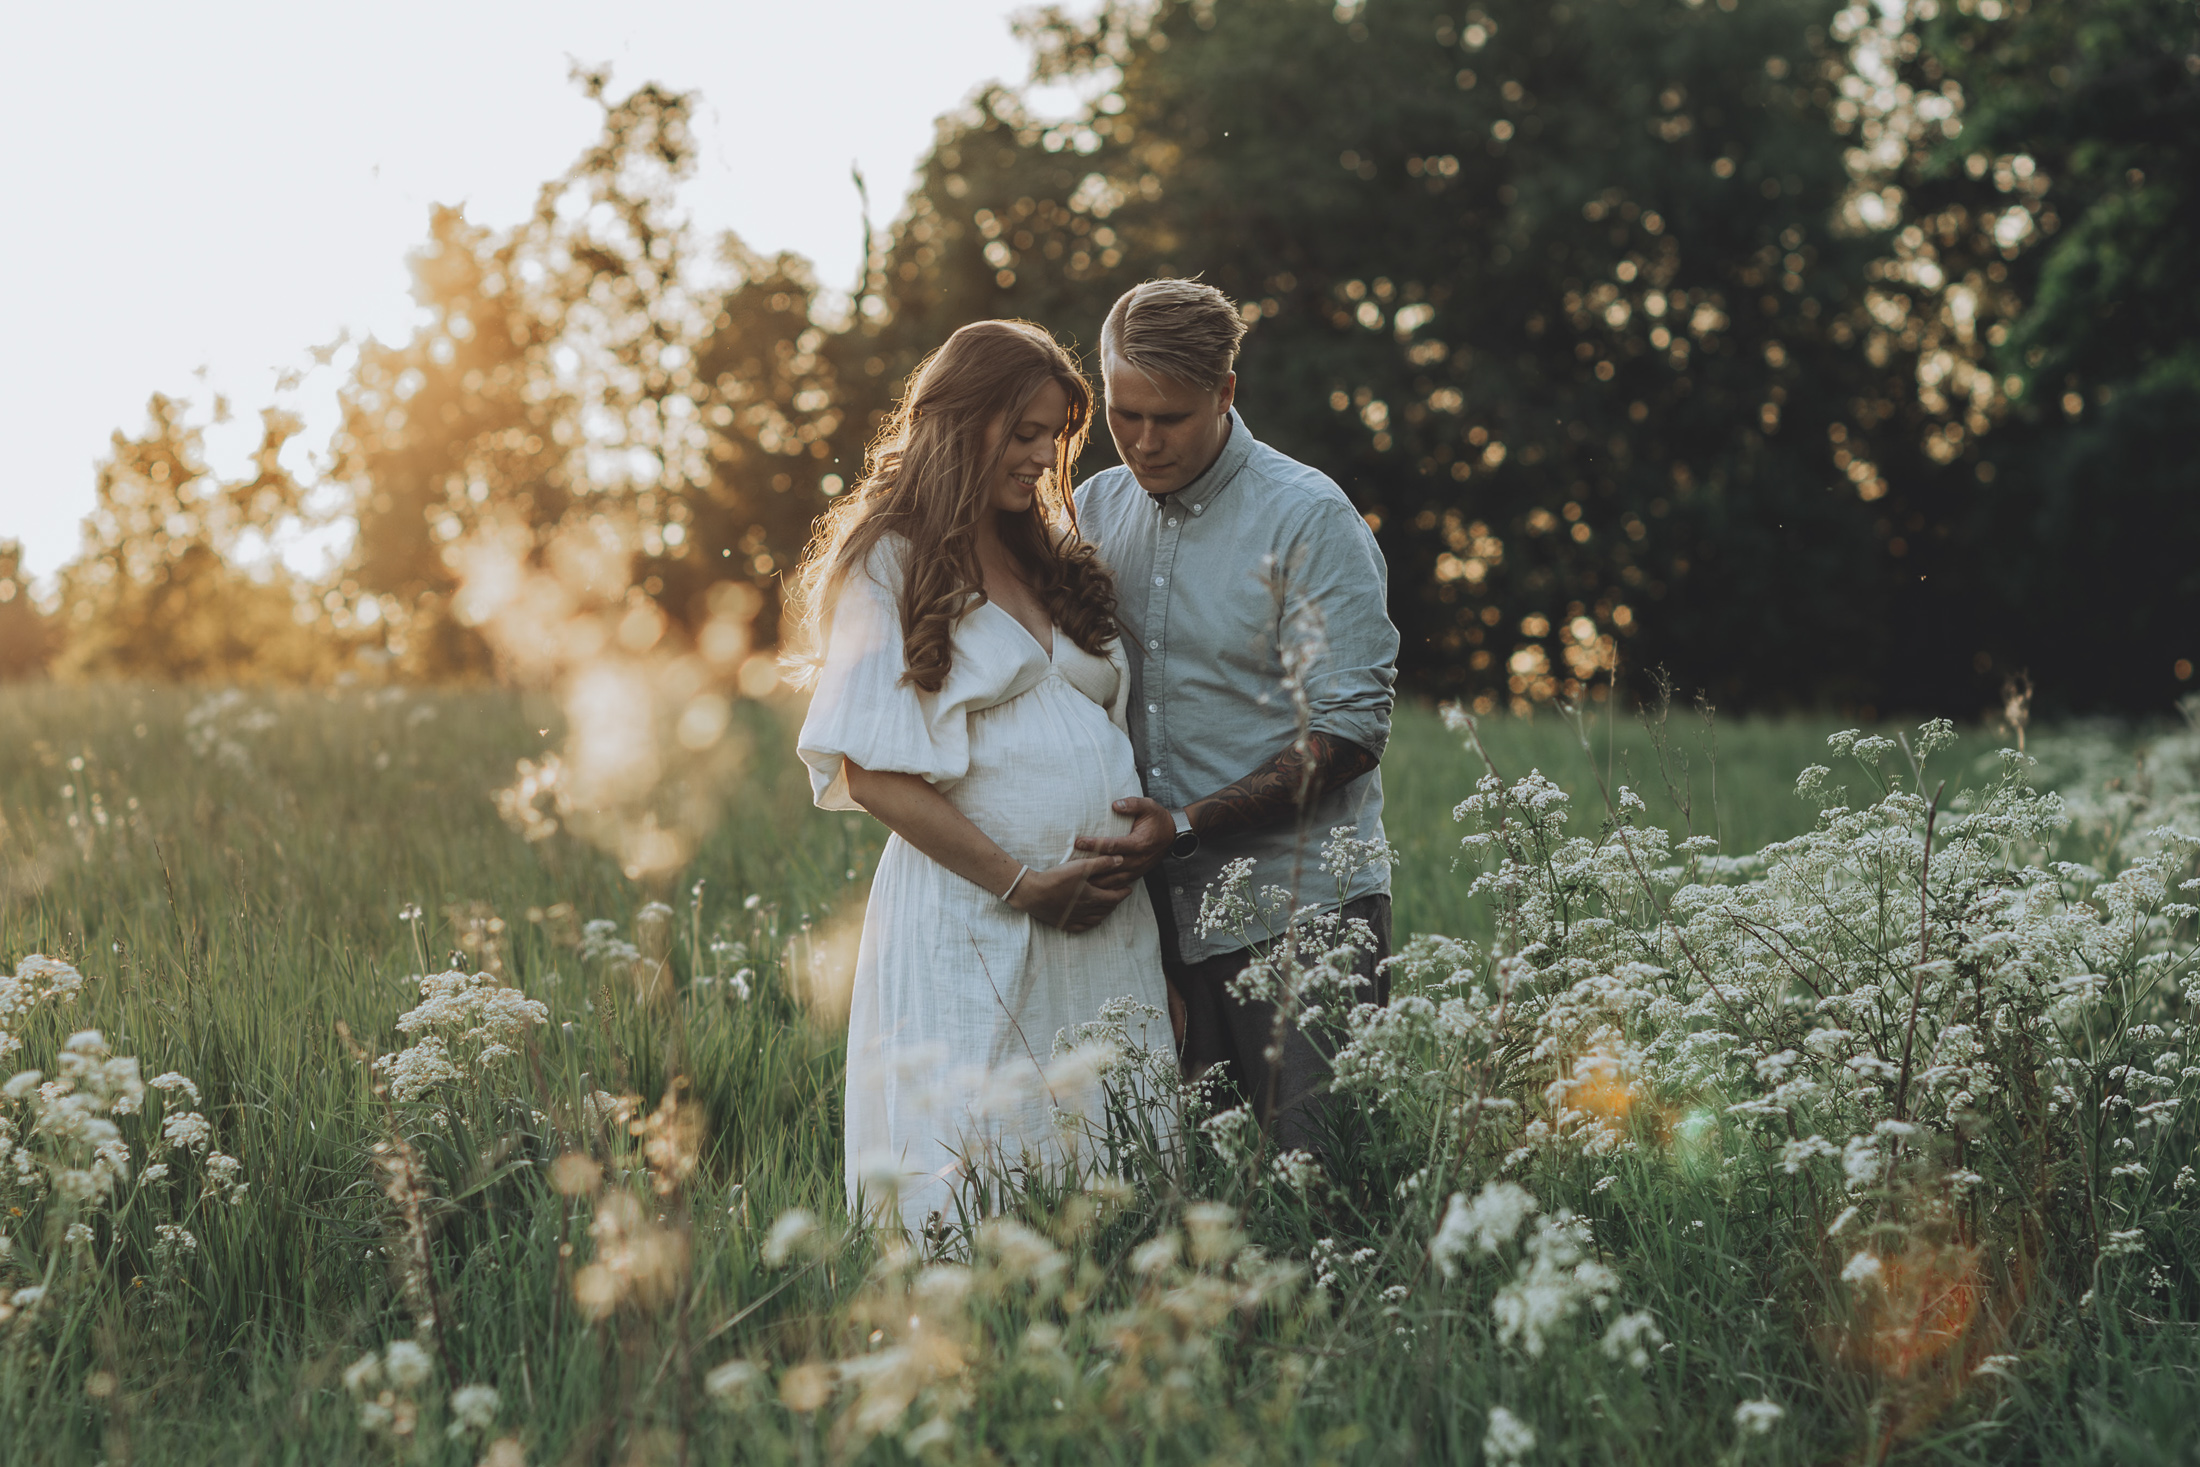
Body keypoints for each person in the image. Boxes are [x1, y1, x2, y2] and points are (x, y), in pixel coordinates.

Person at [791, 319, 1170, 1235]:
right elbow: (872, 773)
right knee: (978, 1162)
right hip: (978, 914)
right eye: (1025, 433)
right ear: (961, 423)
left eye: (1054, 436)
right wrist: (1023, 882)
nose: (1044, 457)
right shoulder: (888, 561)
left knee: (1115, 1161)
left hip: (1104, 921)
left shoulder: (1046, 552)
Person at [1073, 279, 1400, 1157]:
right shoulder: (1091, 510)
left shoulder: (1308, 517)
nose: (1145, 441)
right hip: (1146, 932)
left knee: (1322, 1191)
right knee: (1189, 1202)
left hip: (1302, 918)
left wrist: (1183, 826)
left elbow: (1350, 731)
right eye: (1124, 414)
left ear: (1225, 393)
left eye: (1170, 418)